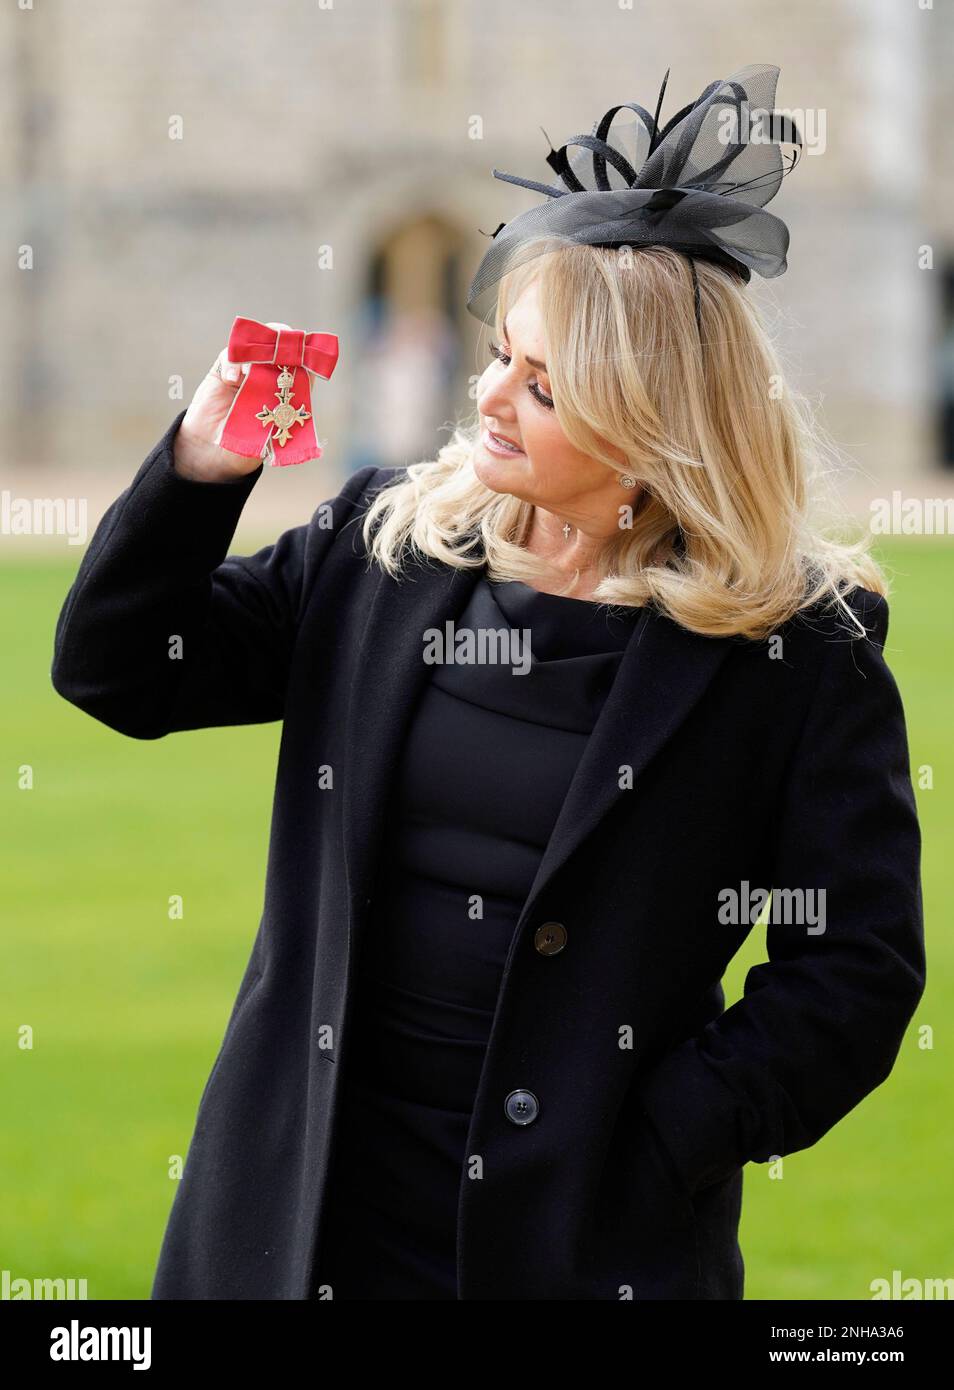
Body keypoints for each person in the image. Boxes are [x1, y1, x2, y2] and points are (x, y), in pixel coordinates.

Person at [51, 64, 924, 1300]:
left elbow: (854, 969)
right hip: (299, 1221)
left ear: (651, 424)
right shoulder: (386, 548)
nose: (487, 396)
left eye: (543, 384)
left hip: (575, 1247)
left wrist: (659, 1138)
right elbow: (120, 671)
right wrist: (201, 468)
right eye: (501, 353)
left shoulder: (797, 650)